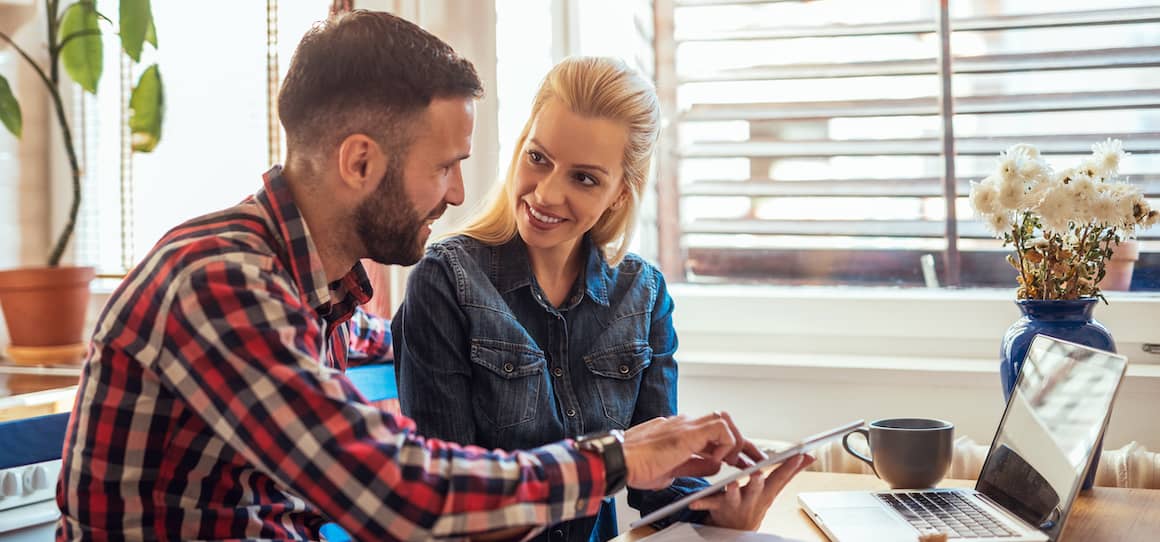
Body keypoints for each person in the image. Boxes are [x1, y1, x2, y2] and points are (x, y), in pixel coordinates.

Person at [55, 12, 767, 541]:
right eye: (444, 166)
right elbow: (397, 491)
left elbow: (425, 463)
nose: (458, 195)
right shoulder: (216, 282)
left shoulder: (329, 309)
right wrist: (618, 459)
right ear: (361, 163)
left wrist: (698, 485)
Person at [392, 56, 813, 542]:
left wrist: (722, 518)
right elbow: (449, 511)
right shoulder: (445, 282)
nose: (546, 194)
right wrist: (612, 461)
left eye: (584, 178)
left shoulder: (644, 295)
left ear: (619, 193)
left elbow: (660, 493)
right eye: (538, 158)